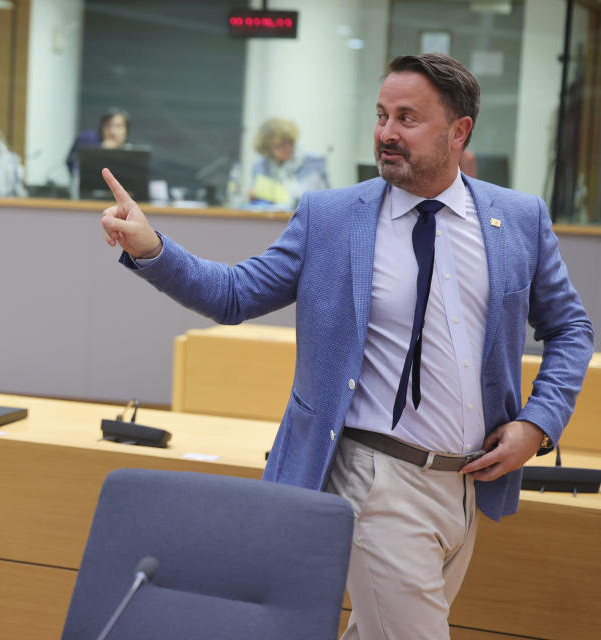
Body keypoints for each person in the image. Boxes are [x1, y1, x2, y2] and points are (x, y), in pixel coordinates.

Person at [99, 53, 593, 638]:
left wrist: (538, 423)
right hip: (372, 476)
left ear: (458, 132)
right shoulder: (331, 217)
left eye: (407, 118)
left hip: (466, 485)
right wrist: (153, 246)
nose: (386, 132)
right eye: (382, 115)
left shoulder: (519, 219)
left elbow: (571, 329)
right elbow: (234, 295)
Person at [249, 116, 329, 207]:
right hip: (269, 218)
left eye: (288, 142)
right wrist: (253, 196)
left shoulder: (313, 162)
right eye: (278, 145)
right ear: (268, 148)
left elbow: (324, 199)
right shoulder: (260, 166)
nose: (286, 148)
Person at [66, 107, 131, 173]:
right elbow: (73, 165)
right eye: (108, 126)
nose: (112, 131)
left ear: (126, 130)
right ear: (101, 128)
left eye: (118, 126)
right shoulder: (88, 140)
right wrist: (100, 151)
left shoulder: (130, 154)